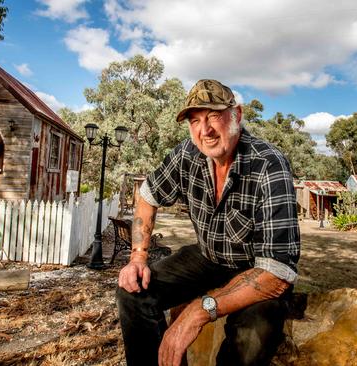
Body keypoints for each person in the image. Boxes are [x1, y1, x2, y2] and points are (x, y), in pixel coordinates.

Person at [116, 79, 300, 366]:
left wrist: (198, 311)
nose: (205, 130)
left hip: (257, 270)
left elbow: (278, 271)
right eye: (195, 120)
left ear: (236, 115)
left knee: (253, 334)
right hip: (207, 258)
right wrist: (138, 257)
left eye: (213, 116)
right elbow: (147, 195)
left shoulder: (268, 164)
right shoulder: (187, 154)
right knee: (133, 291)